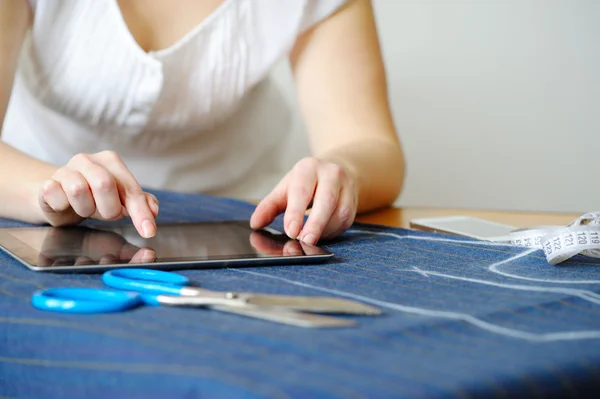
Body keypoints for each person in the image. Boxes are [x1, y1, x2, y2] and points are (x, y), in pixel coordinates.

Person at [0, 0, 405, 246]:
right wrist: (53, 188)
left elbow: (370, 144)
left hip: (245, 229)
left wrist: (343, 172)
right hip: (38, 219)